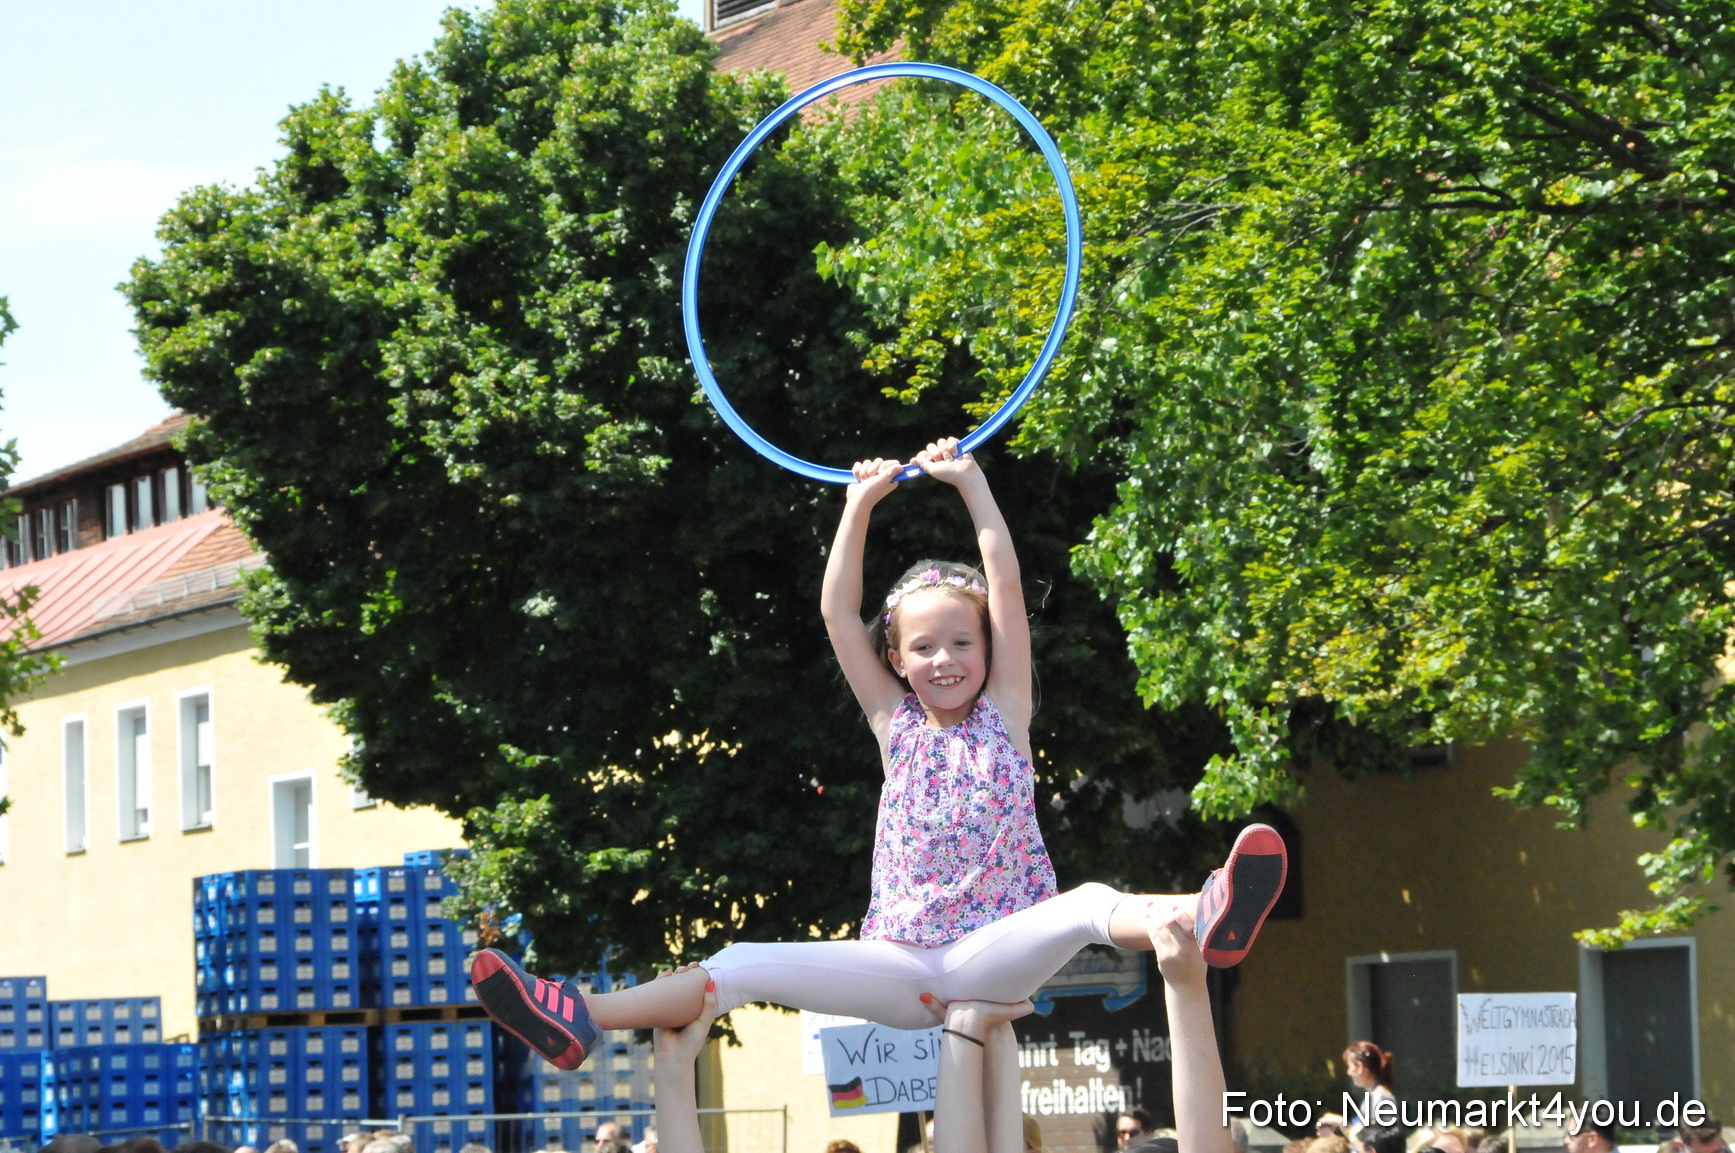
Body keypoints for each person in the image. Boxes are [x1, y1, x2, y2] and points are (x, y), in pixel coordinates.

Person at [471, 442, 1290, 1075]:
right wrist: (858, 505)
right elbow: (837, 612)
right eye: (924, 647)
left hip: (993, 954)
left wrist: (970, 483)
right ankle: (576, 1009)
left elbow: (1002, 582)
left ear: (988, 649)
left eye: (961, 643)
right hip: (898, 964)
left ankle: (1204, 906)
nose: (944, 659)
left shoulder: (1006, 714)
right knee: (737, 963)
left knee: (1088, 901)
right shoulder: (894, 723)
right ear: (896, 660)